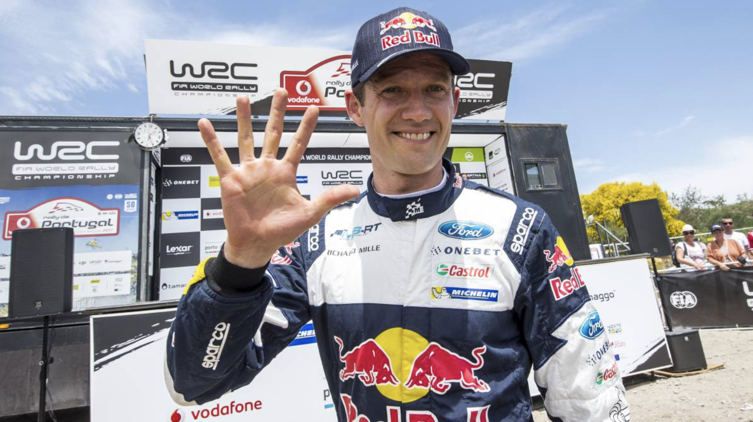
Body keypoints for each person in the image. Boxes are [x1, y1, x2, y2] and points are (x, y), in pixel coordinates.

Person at [164, 7, 629, 421]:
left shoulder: (520, 230)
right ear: (355, 107)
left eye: (434, 88)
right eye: (392, 90)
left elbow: (590, 401)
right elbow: (192, 385)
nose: (418, 111)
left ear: (454, 102)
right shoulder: (317, 239)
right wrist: (240, 263)